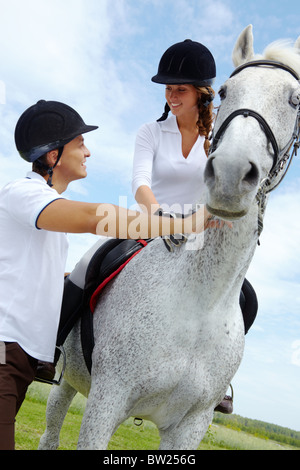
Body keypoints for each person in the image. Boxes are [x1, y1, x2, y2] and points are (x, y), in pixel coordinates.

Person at [0, 99, 210, 450]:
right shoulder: (22, 193)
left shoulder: (43, 214)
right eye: (80, 143)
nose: (88, 152)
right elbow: (94, 217)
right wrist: (183, 225)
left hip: (17, 360)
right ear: (53, 156)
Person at [132, 39, 257, 414]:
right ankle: (58, 346)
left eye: (180, 89)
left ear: (201, 93)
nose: (172, 96)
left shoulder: (218, 134)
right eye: (168, 89)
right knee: (91, 267)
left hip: (201, 235)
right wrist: (160, 218)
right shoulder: (150, 132)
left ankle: (216, 376)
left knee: (246, 300)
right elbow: (141, 183)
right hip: (151, 227)